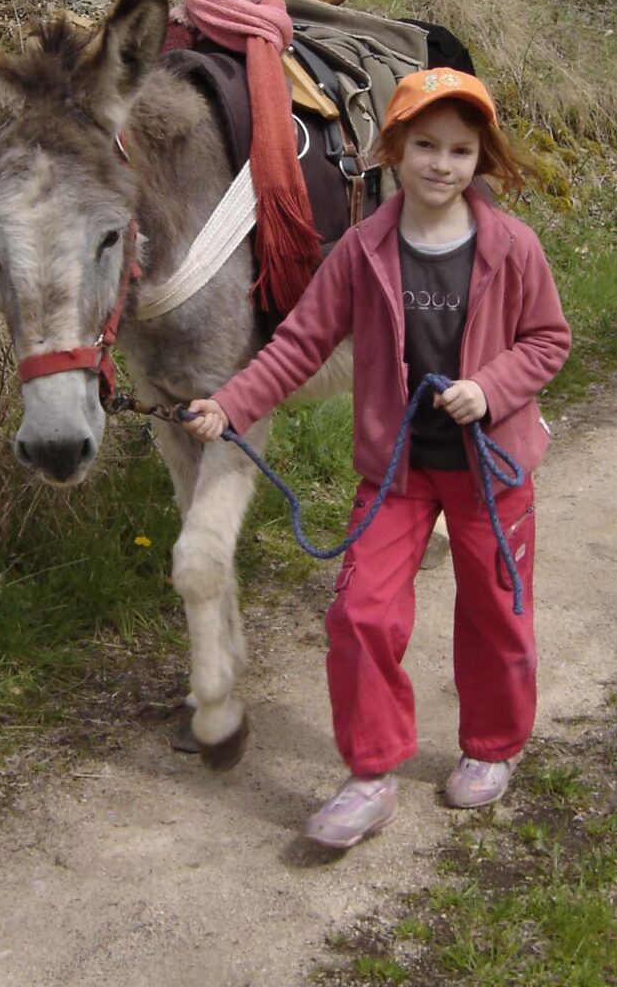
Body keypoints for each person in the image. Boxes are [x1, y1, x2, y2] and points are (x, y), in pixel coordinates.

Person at [181, 68, 571, 849]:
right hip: (395, 470)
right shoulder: (363, 249)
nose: (441, 164)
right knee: (360, 613)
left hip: (490, 473)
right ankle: (369, 774)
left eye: (460, 150)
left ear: (480, 160)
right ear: (391, 150)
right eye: (424, 145)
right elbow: (298, 343)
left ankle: (491, 747)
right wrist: (232, 404)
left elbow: (547, 341)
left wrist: (489, 390)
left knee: (496, 613)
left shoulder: (512, 247)